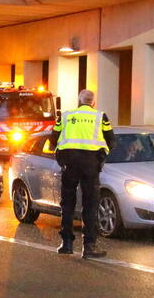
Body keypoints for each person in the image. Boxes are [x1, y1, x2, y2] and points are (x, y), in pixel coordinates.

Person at [50, 89, 116, 258]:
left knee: (67, 203)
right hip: (90, 164)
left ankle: (67, 244)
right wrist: (101, 156)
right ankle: (89, 246)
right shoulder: (100, 116)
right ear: (93, 103)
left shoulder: (65, 116)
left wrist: (62, 155)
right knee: (90, 204)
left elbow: (53, 138)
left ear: (79, 101)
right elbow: (111, 140)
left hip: (69, 163)